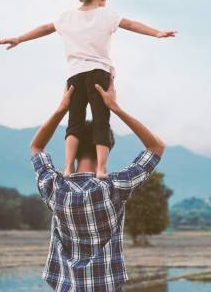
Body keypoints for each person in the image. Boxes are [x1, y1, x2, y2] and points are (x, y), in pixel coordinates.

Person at [0, 0, 176, 178]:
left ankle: (67, 168)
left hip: (74, 75)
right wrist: (156, 33)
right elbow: (131, 24)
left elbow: (45, 28)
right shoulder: (107, 14)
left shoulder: (65, 17)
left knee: (74, 122)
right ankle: (101, 169)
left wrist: (19, 38)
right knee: (101, 120)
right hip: (99, 73)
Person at [29, 80, 165, 292]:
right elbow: (156, 147)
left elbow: (36, 147)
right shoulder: (114, 188)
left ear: (72, 149)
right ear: (106, 148)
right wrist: (114, 108)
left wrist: (62, 109)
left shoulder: (55, 188)